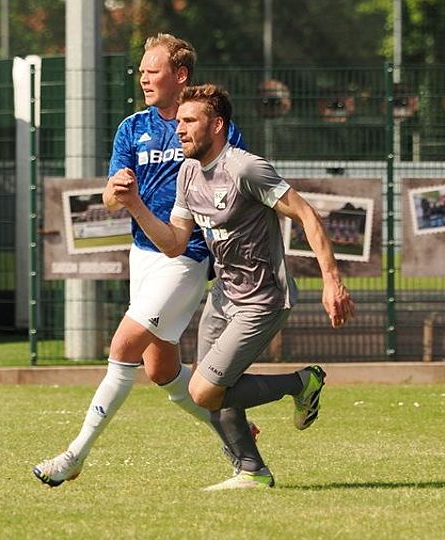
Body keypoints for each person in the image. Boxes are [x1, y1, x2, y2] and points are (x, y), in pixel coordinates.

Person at [108, 83, 355, 490]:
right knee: (211, 387)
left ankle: (303, 382)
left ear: (217, 125)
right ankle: (252, 471)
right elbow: (174, 244)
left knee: (205, 391)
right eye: (179, 121)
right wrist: (134, 205)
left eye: (189, 121)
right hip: (223, 297)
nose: (179, 129)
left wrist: (332, 282)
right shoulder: (188, 173)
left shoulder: (245, 169)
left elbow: (307, 215)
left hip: (263, 299)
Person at [33, 33, 247, 487]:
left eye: (153, 71)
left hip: (186, 256)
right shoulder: (132, 128)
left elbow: (233, 177)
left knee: (123, 346)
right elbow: (111, 198)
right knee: (161, 371)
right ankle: (235, 433)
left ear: (180, 75)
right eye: (142, 71)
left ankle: (75, 455)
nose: (144, 78)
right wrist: (116, 192)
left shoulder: (208, 124)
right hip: (143, 255)